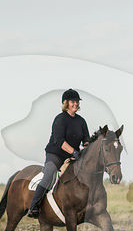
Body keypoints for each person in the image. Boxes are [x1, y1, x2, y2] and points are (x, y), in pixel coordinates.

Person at [27, 88, 90, 218]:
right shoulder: (60, 119)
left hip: (73, 157)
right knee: (49, 173)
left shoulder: (81, 121)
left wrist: (87, 151)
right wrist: (74, 152)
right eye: (73, 101)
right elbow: (60, 141)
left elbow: (86, 141)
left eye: (77, 101)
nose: (76, 104)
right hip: (56, 155)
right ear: (66, 103)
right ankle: (33, 206)